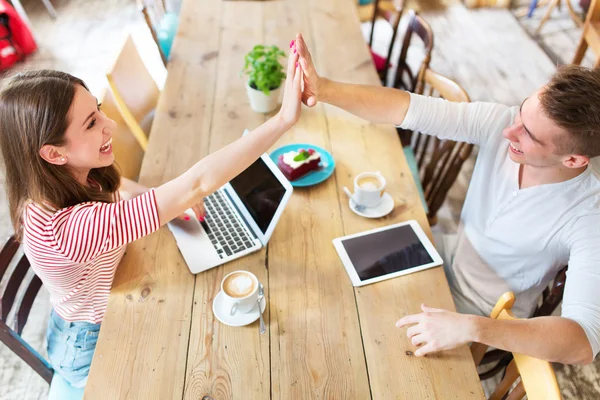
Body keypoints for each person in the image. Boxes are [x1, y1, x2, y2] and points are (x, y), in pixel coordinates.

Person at [0, 41, 302, 389]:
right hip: (90, 342)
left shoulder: (60, 177)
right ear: (54, 153)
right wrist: (282, 120)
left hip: (104, 298)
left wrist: (160, 206)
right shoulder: (67, 230)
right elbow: (197, 184)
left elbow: (122, 187)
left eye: (98, 109)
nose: (109, 124)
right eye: (91, 123)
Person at [295, 32, 600, 365]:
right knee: (328, 275)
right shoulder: (503, 121)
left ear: (573, 160)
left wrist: (473, 328)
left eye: (528, 134)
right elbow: (409, 108)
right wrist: (323, 89)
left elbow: (583, 342)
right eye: (521, 115)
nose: (508, 132)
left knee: (358, 345)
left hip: (481, 313)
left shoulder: (588, 216)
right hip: (442, 253)